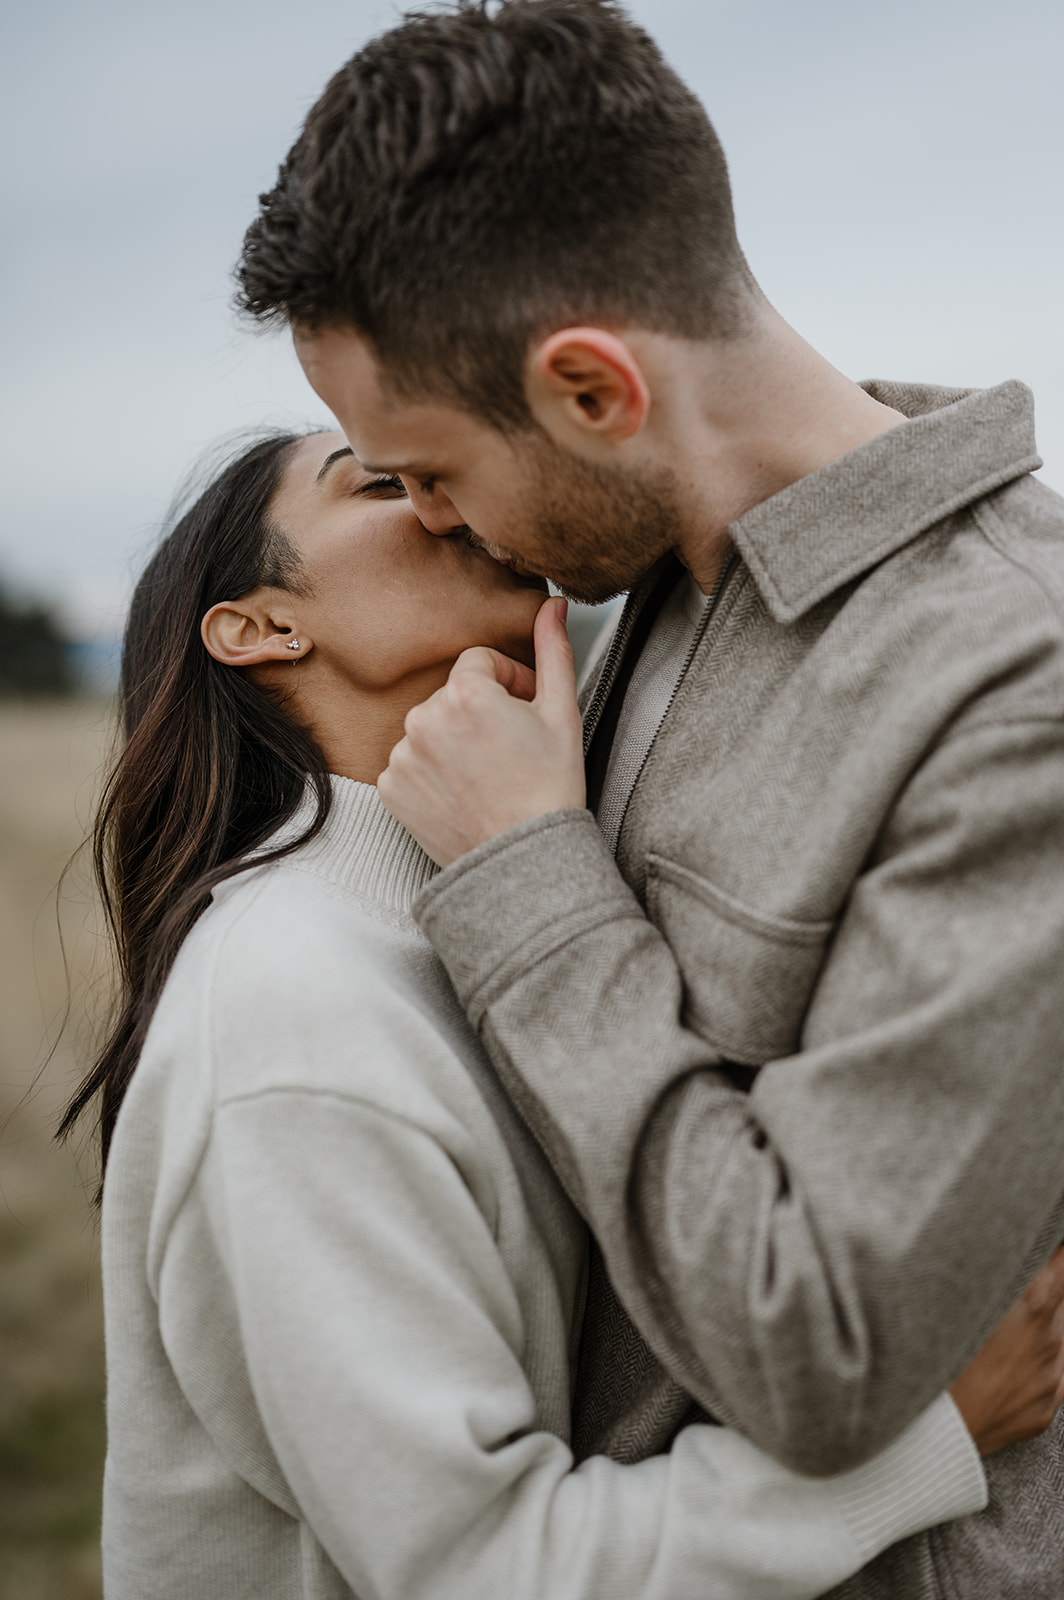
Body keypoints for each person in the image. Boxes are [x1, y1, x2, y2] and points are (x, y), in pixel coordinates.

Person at [235, 1, 1064, 1593]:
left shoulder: (1009, 687)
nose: (433, 525)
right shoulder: (651, 583)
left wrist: (533, 877)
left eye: (428, 472)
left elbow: (824, 1356)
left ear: (595, 391)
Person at [62, 429, 1064, 1599]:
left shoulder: (454, 918)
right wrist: (914, 1446)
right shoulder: (290, 1011)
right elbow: (479, 1567)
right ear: (262, 625)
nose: (438, 498)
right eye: (380, 483)